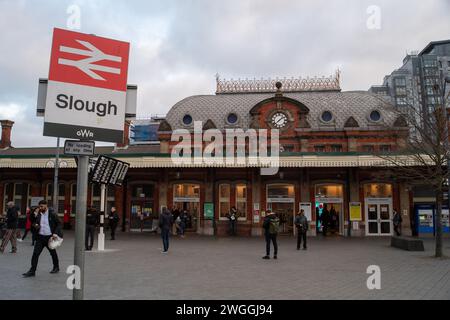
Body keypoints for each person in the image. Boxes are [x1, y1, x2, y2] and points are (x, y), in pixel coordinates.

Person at [22, 200, 62, 277]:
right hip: (40, 237)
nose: (40, 208)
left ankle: (56, 267)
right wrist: (34, 214)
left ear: (46, 206)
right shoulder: (38, 213)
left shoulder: (52, 214)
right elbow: (31, 220)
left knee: (53, 253)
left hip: (50, 237)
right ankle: (32, 271)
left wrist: (55, 233)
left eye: (42, 206)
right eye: (39, 206)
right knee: (35, 254)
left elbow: (59, 223)